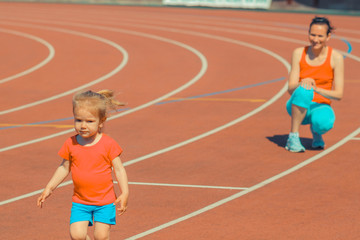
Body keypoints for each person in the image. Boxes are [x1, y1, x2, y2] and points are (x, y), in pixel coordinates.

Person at [37, 90, 129, 240]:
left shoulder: (108, 144)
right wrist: (49, 187)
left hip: (104, 202)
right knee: (77, 235)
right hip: (81, 201)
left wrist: (125, 192)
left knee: (101, 236)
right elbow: (64, 168)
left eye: (89, 121)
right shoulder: (71, 143)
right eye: (78, 120)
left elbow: (119, 170)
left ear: (101, 121)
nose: (83, 125)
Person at [285, 16, 344, 152]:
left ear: (328, 37)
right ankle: (293, 137)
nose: (315, 39)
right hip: (297, 105)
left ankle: (317, 132)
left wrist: (316, 89)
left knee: (324, 123)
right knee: (304, 90)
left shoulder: (336, 58)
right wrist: (303, 83)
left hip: (321, 105)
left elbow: (339, 95)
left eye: (320, 36)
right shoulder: (298, 53)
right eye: (312, 34)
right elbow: (290, 88)